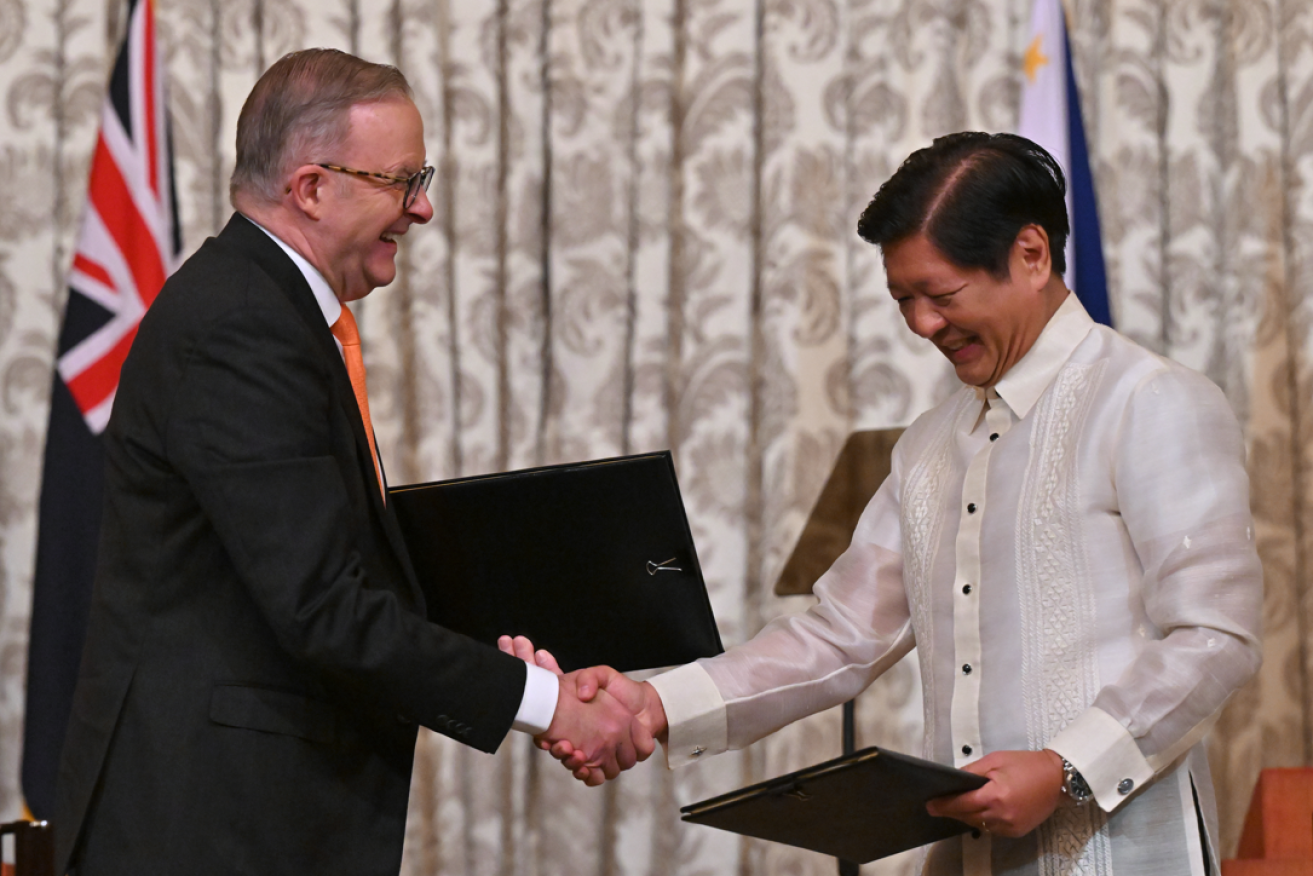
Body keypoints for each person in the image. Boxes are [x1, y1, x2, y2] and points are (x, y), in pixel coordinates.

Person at [508, 132, 1263, 874]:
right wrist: (652, 705)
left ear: (1031, 255)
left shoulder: (1150, 401)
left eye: (940, 294)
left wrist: (1065, 767)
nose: (922, 325)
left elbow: (1214, 634)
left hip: (1119, 850)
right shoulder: (928, 445)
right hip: (962, 851)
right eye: (903, 298)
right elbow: (839, 637)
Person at [52, 48, 650, 876]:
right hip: (208, 827)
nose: (424, 207)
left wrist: (497, 655)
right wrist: (548, 705)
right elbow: (322, 608)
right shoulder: (241, 325)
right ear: (311, 187)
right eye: (403, 180)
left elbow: (320, 570)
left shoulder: (267, 309)